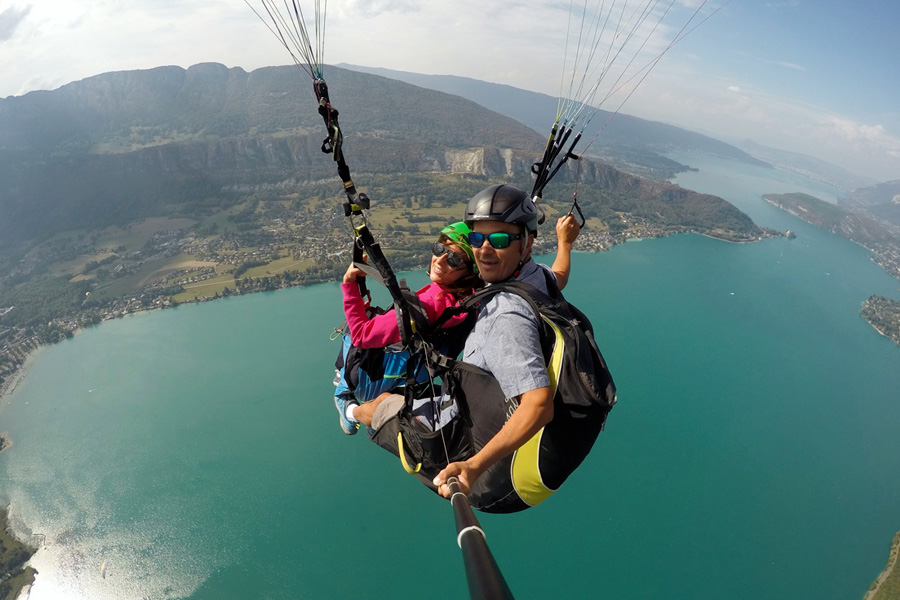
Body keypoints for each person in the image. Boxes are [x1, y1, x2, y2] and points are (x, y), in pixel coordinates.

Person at [353, 184, 586, 512]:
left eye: (501, 240)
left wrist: (473, 467)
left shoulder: (506, 313)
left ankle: (348, 411)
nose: (486, 251)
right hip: (519, 444)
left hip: (492, 477)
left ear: (528, 243)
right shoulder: (534, 277)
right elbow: (559, 275)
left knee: (378, 405)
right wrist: (565, 243)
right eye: (477, 239)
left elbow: (538, 406)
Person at [333, 222, 482, 434]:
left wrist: (349, 284)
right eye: (440, 249)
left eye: (454, 259)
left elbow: (361, 335)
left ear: (469, 270)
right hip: (421, 375)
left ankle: (347, 403)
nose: (439, 260)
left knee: (352, 327)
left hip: (372, 382)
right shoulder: (471, 298)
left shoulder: (430, 304)